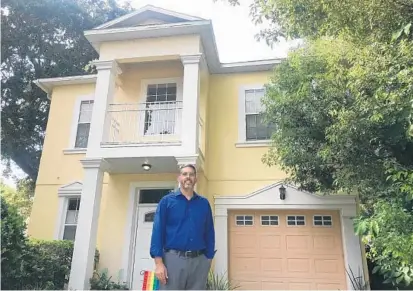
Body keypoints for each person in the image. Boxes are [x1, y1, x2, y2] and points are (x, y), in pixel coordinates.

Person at [149, 164, 215, 290]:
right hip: (173, 260)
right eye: (184, 174)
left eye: (191, 174)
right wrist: (159, 263)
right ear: (179, 178)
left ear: (196, 179)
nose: (188, 177)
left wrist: (208, 260)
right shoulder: (167, 202)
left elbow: (209, 232)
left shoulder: (203, 204)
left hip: (199, 262)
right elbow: (158, 232)